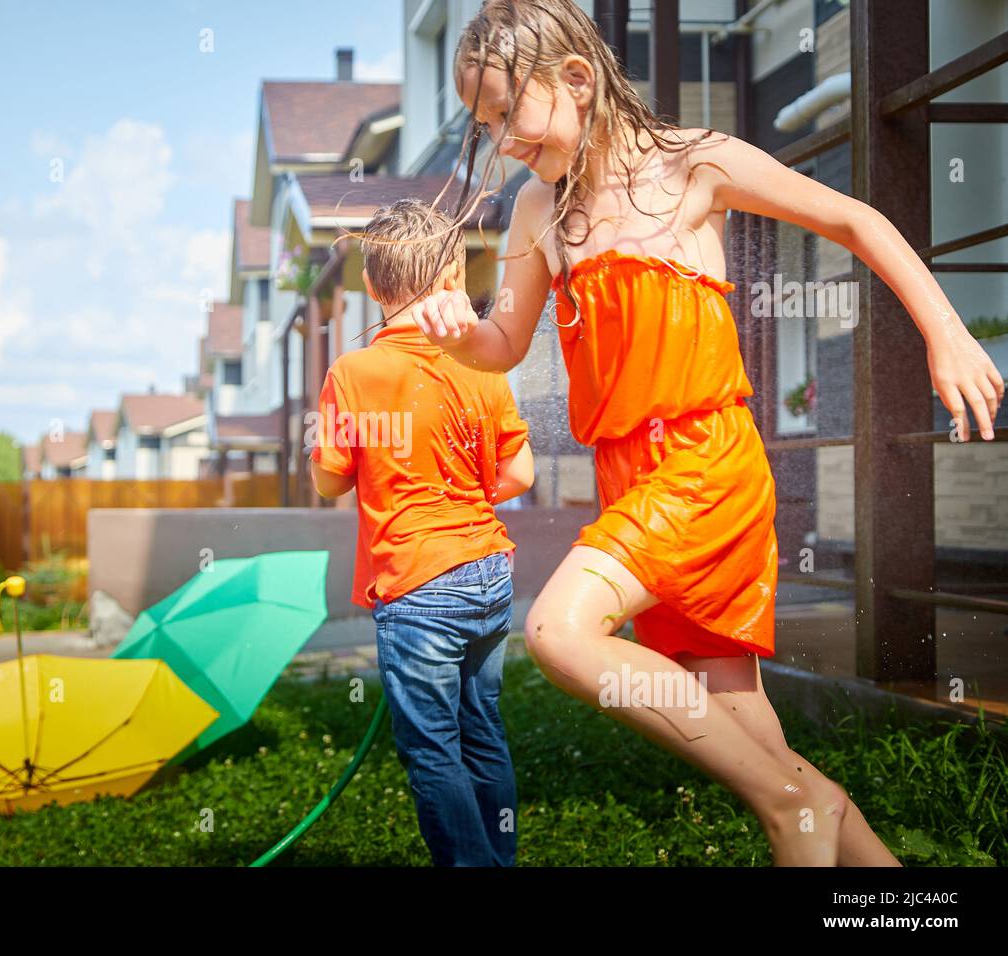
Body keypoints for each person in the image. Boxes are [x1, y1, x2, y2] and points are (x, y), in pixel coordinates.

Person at [406, 0, 1001, 866]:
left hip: (703, 465)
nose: (501, 140)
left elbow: (857, 221)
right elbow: (503, 342)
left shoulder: (695, 165)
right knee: (742, 720)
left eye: (507, 112)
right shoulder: (538, 210)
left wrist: (946, 333)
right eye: (486, 124)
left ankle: (795, 804)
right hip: (629, 476)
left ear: (576, 79)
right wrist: (465, 336)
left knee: (561, 632)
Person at [309, 197, 535, 865]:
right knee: (482, 730)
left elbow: (330, 481)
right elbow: (519, 473)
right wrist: (455, 492)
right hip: (488, 574)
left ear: (373, 288)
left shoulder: (353, 373)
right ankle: (500, 855)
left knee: (432, 747)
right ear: (450, 283)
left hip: (417, 584)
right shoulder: (479, 362)